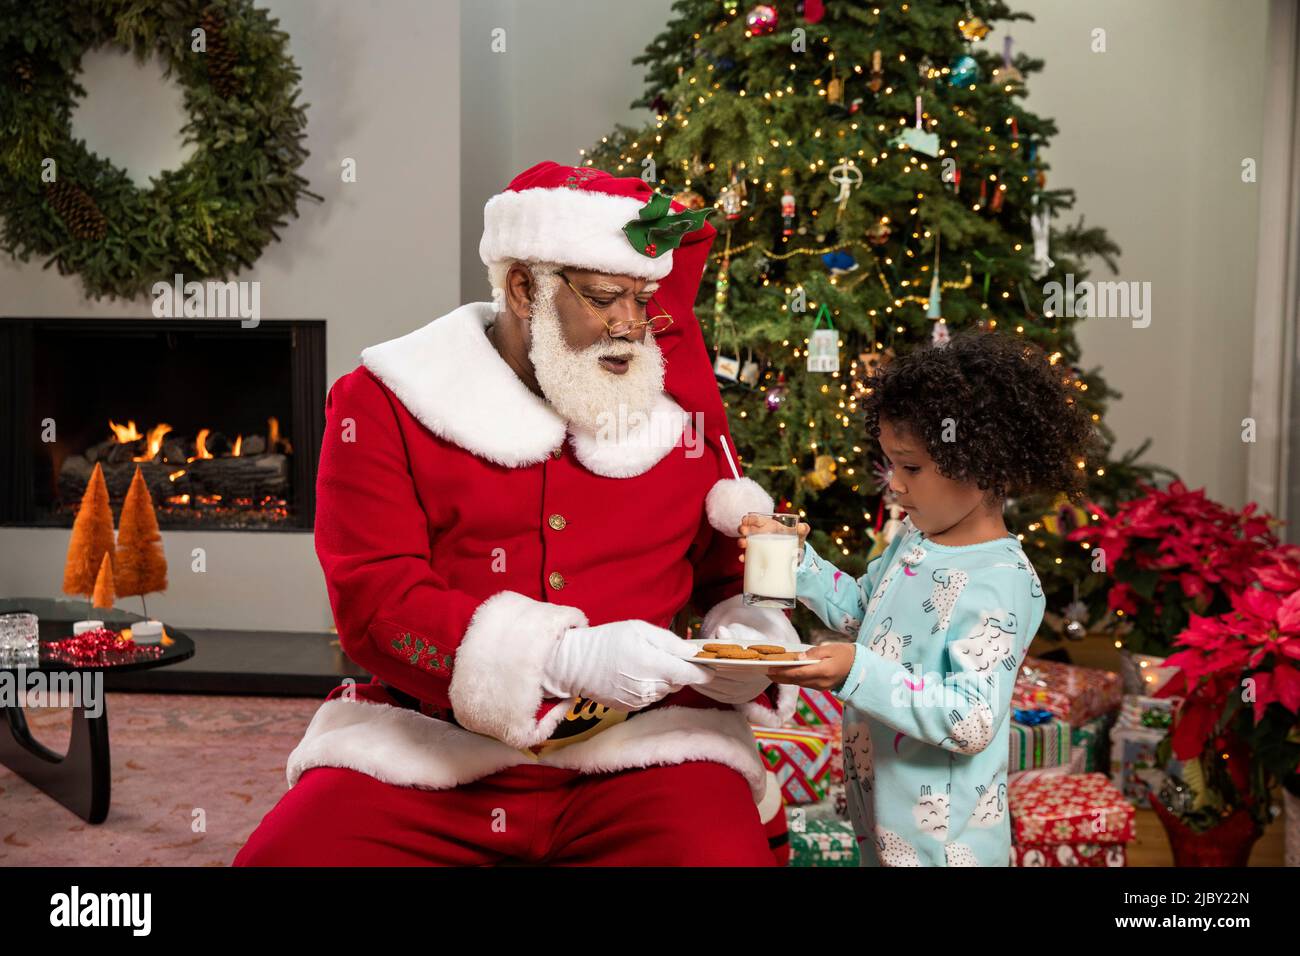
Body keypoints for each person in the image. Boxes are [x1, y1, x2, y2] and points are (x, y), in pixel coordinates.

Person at [233, 161, 800, 867]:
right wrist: (561, 659)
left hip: (644, 748)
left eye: (641, 296)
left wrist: (745, 644)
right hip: (431, 748)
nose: (632, 324)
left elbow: (729, 581)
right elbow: (373, 603)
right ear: (525, 288)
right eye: (602, 298)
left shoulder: (677, 419)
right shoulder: (385, 401)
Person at [740, 330, 1099, 865]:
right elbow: (866, 615)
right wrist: (799, 563)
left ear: (981, 463)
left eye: (911, 468)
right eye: (891, 465)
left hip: (946, 849)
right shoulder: (914, 539)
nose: (896, 486)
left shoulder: (1000, 580)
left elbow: (972, 719)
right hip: (880, 826)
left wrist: (854, 671)